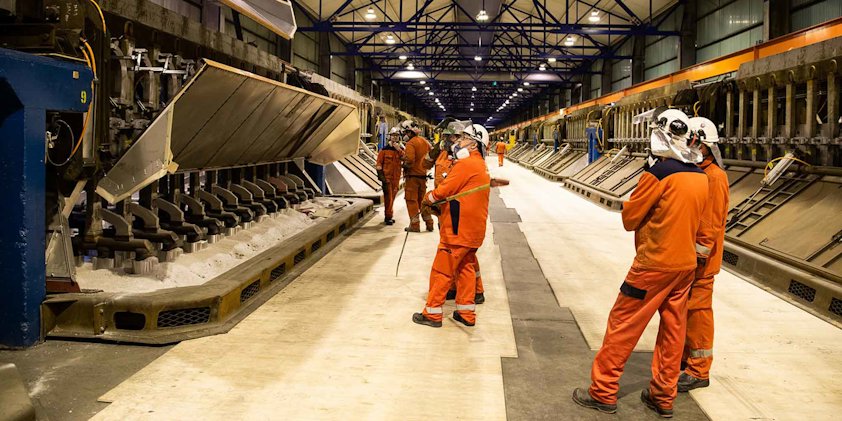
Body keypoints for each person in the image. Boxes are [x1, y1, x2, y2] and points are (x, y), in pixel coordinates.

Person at [572, 109, 710, 418]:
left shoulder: (658, 174)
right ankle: (663, 396)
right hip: (684, 267)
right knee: (673, 333)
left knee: (623, 325)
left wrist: (642, 188)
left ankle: (603, 392)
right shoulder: (701, 178)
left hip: (653, 266)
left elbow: (629, 219)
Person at [413, 124, 491, 328]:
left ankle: (432, 313)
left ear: (474, 144)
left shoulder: (466, 165)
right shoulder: (479, 164)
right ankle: (466, 314)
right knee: (465, 268)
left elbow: (443, 191)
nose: (458, 142)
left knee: (442, 270)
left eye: (463, 138)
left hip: (458, 229)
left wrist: (427, 199)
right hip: (472, 229)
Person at [679, 117, 730, 392]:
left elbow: (710, 223)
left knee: (698, 312)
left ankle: (699, 370)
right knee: (686, 310)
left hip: (702, 261)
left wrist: (699, 257)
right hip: (689, 257)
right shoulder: (697, 172)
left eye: (692, 141)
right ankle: (686, 360)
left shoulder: (714, 177)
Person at [425, 119, 486, 305]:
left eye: (457, 137)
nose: (453, 140)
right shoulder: (444, 155)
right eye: (447, 137)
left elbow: (452, 185)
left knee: (455, 256)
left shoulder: (465, 160)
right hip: (445, 209)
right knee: (461, 257)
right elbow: (425, 164)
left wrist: (431, 198)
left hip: (455, 211)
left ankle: (475, 291)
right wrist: (436, 149)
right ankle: (460, 291)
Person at [400, 120, 434, 232]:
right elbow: (431, 155)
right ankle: (429, 223)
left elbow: (409, 160)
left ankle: (415, 225)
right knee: (422, 202)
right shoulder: (424, 141)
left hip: (412, 177)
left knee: (411, 200)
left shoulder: (411, 143)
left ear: (410, 132)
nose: (405, 135)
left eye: (406, 132)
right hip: (422, 176)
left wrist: (403, 163)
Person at [376, 127, 404, 225]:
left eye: (397, 136)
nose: (395, 138)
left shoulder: (400, 150)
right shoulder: (383, 151)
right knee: (389, 199)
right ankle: (388, 217)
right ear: (390, 137)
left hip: (396, 179)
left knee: (393, 198)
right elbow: (379, 164)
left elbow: (405, 158)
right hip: (387, 179)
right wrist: (382, 178)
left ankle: (389, 215)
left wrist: (399, 149)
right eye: (393, 136)